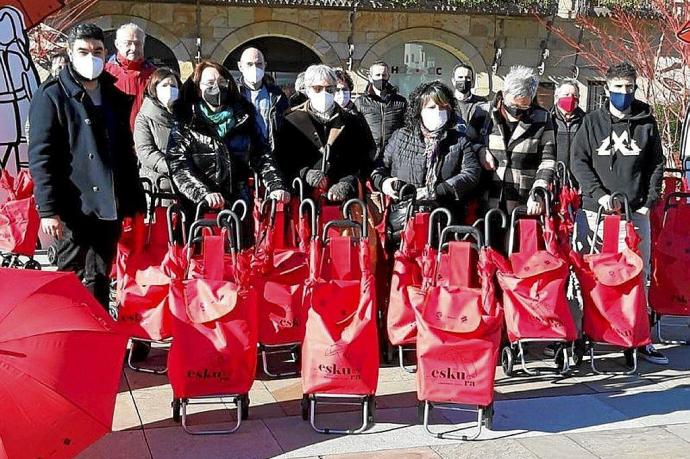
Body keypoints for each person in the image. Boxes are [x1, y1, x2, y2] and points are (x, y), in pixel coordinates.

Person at [28, 23, 145, 309]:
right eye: (83, 51)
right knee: (72, 277)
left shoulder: (114, 97)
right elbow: (42, 157)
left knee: (100, 276)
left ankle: (96, 342)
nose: (90, 57)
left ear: (106, 53)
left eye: (96, 51)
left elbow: (125, 155)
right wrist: (47, 210)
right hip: (72, 206)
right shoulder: (52, 95)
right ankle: (69, 342)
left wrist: (132, 204)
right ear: (70, 53)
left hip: (108, 206)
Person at [571, 61, 667, 365]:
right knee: (589, 273)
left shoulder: (646, 122)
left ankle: (641, 337)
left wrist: (648, 201)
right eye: (618, 88)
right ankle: (581, 335)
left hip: (634, 211)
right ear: (607, 90)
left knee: (639, 277)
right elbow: (579, 162)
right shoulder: (592, 123)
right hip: (595, 213)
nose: (624, 93)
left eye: (629, 88)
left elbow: (656, 164)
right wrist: (599, 196)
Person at [168, 60, 288, 216]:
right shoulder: (185, 122)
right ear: (198, 89)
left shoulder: (244, 117)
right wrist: (203, 193)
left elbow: (262, 155)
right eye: (209, 83)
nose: (216, 88)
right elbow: (179, 165)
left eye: (222, 82)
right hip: (199, 210)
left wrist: (276, 184)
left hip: (239, 206)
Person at [372, 80, 481, 240]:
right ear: (419, 110)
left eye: (443, 107)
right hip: (404, 223)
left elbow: (471, 173)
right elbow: (379, 168)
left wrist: (438, 190)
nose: (438, 111)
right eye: (431, 107)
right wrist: (384, 183)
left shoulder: (459, 141)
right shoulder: (400, 136)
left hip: (444, 222)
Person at [275, 64, 375, 202]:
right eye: (317, 88)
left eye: (329, 89)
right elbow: (282, 161)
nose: (324, 93)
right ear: (308, 90)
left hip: (343, 203)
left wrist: (347, 182)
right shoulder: (291, 121)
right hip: (302, 201)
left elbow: (364, 160)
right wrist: (305, 173)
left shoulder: (352, 122)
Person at [467, 65, 556, 216]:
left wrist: (539, 190)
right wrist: (480, 150)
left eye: (524, 107)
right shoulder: (483, 113)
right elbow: (466, 144)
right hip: (485, 196)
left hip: (522, 198)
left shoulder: (542, 118)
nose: (517, 112)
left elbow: (548, 159)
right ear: (504, 94)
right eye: (514, 106)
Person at [134, 67, 181, 193]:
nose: (170, 90)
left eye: (173, 86)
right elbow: (145, 151)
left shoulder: (184, 116)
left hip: (184, 185)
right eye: (164, 85)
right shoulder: (144, 117)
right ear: (154, 89)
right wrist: (172, 166)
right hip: (159, 186)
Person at [236, 47, 289, 152]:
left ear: (265, 65)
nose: (254, 68)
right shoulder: (233, 95)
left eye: (259, 64)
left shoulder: (277, 95)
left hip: (271, 153)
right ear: (240, 66)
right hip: (243, 155)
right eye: (249, 64)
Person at [105, 23, 156, 130]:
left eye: (138, 44)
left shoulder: (155, 75)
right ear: (117, 44)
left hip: (145, 138)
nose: (133, 48)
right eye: (128, 43)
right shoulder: (105, 72)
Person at [354, 61, 407, 160]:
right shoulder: (360, 102)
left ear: (388, 76)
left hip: (393, 157)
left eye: (384, 75)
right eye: (377, 75)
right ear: (370, 77)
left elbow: (406, 127)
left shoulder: (400, 102)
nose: (381, 78)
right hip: (368, 157)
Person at [551, 78, 586, 170]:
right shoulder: (548, 120)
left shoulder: (586, 121)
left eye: (574, 95)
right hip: (552, 177)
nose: (571, 98)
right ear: (556, 97)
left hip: (577, 178)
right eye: (566, 94)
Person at [451, 63, 487, 135]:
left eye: (468, 78)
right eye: (460, 77)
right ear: (453, 81)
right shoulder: (447, 102)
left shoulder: (482, 103)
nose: (464, 80)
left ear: (473, 82)